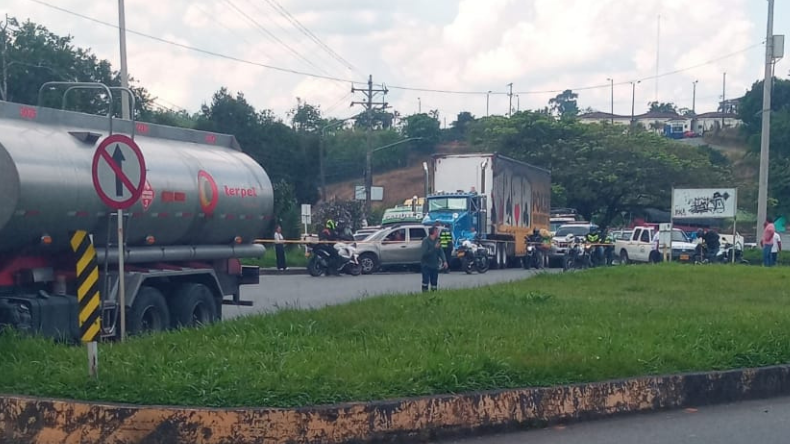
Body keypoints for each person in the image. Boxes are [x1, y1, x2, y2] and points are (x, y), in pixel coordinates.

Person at [421, 226, 447, 292]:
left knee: (434, 282)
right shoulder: (425, 241)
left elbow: (441, 252)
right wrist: (434, 248)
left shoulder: (437, 240)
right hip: (426, 265)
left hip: (435, 265)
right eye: (437, 231)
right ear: (433, 232)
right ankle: (425, 294)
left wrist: (444, 261)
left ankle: (434, 294)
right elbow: (424, 254)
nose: (438, 233)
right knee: (425, 281)